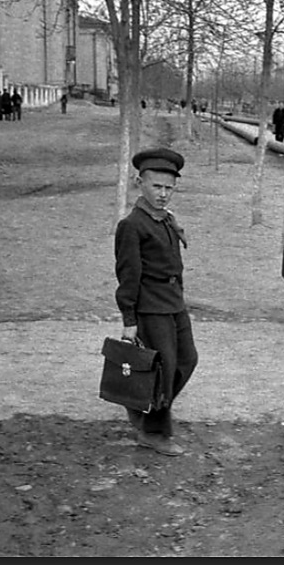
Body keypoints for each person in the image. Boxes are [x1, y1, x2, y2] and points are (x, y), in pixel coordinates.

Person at [114, 148, 198, 456]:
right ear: (140, 183)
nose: (163, 194)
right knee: (164, 370)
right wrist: (129, 321)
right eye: (156, 187)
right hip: (150, 307)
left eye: (169, 188)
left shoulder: (165, 220)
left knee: (187, 360)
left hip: (174, 303)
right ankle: (153, 432)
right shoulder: (132, 225)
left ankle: (142, 406)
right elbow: (128, 276)